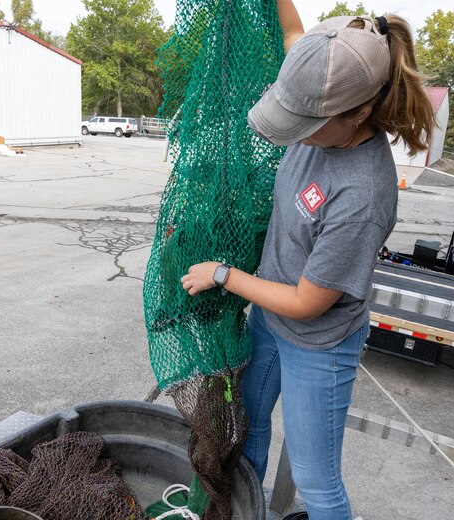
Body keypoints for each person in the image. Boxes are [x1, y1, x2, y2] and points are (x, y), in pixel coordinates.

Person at [180, 2, 435, 519]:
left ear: (359, 112)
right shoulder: (318, 75)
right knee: (246, 437)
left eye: (307, 126)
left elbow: (305, 302)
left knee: (317, 483)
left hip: (318, 344)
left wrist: (224, 276)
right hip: (267, 323)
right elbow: (294, 30)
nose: (295, 133)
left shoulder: (363, 193)